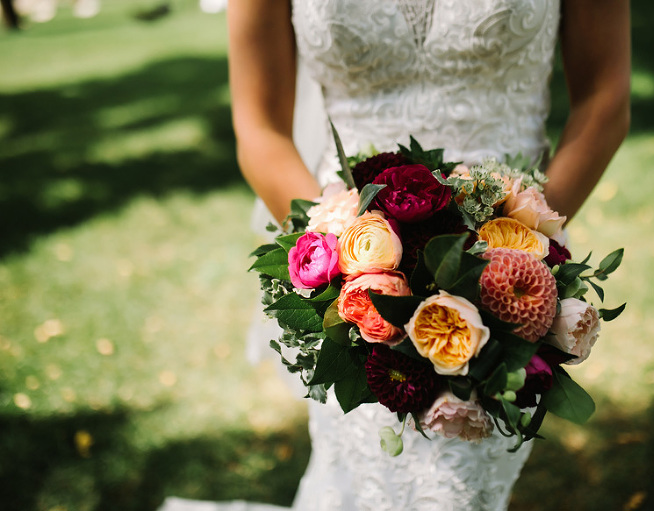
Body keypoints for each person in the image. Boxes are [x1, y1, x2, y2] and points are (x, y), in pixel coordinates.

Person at [161, 1, 630, 510]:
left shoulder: (512, 263)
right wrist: (337, 257)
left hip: (501, 274)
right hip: (351, 274)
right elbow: (259, 128)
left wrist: (524, 246)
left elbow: (604, 99)